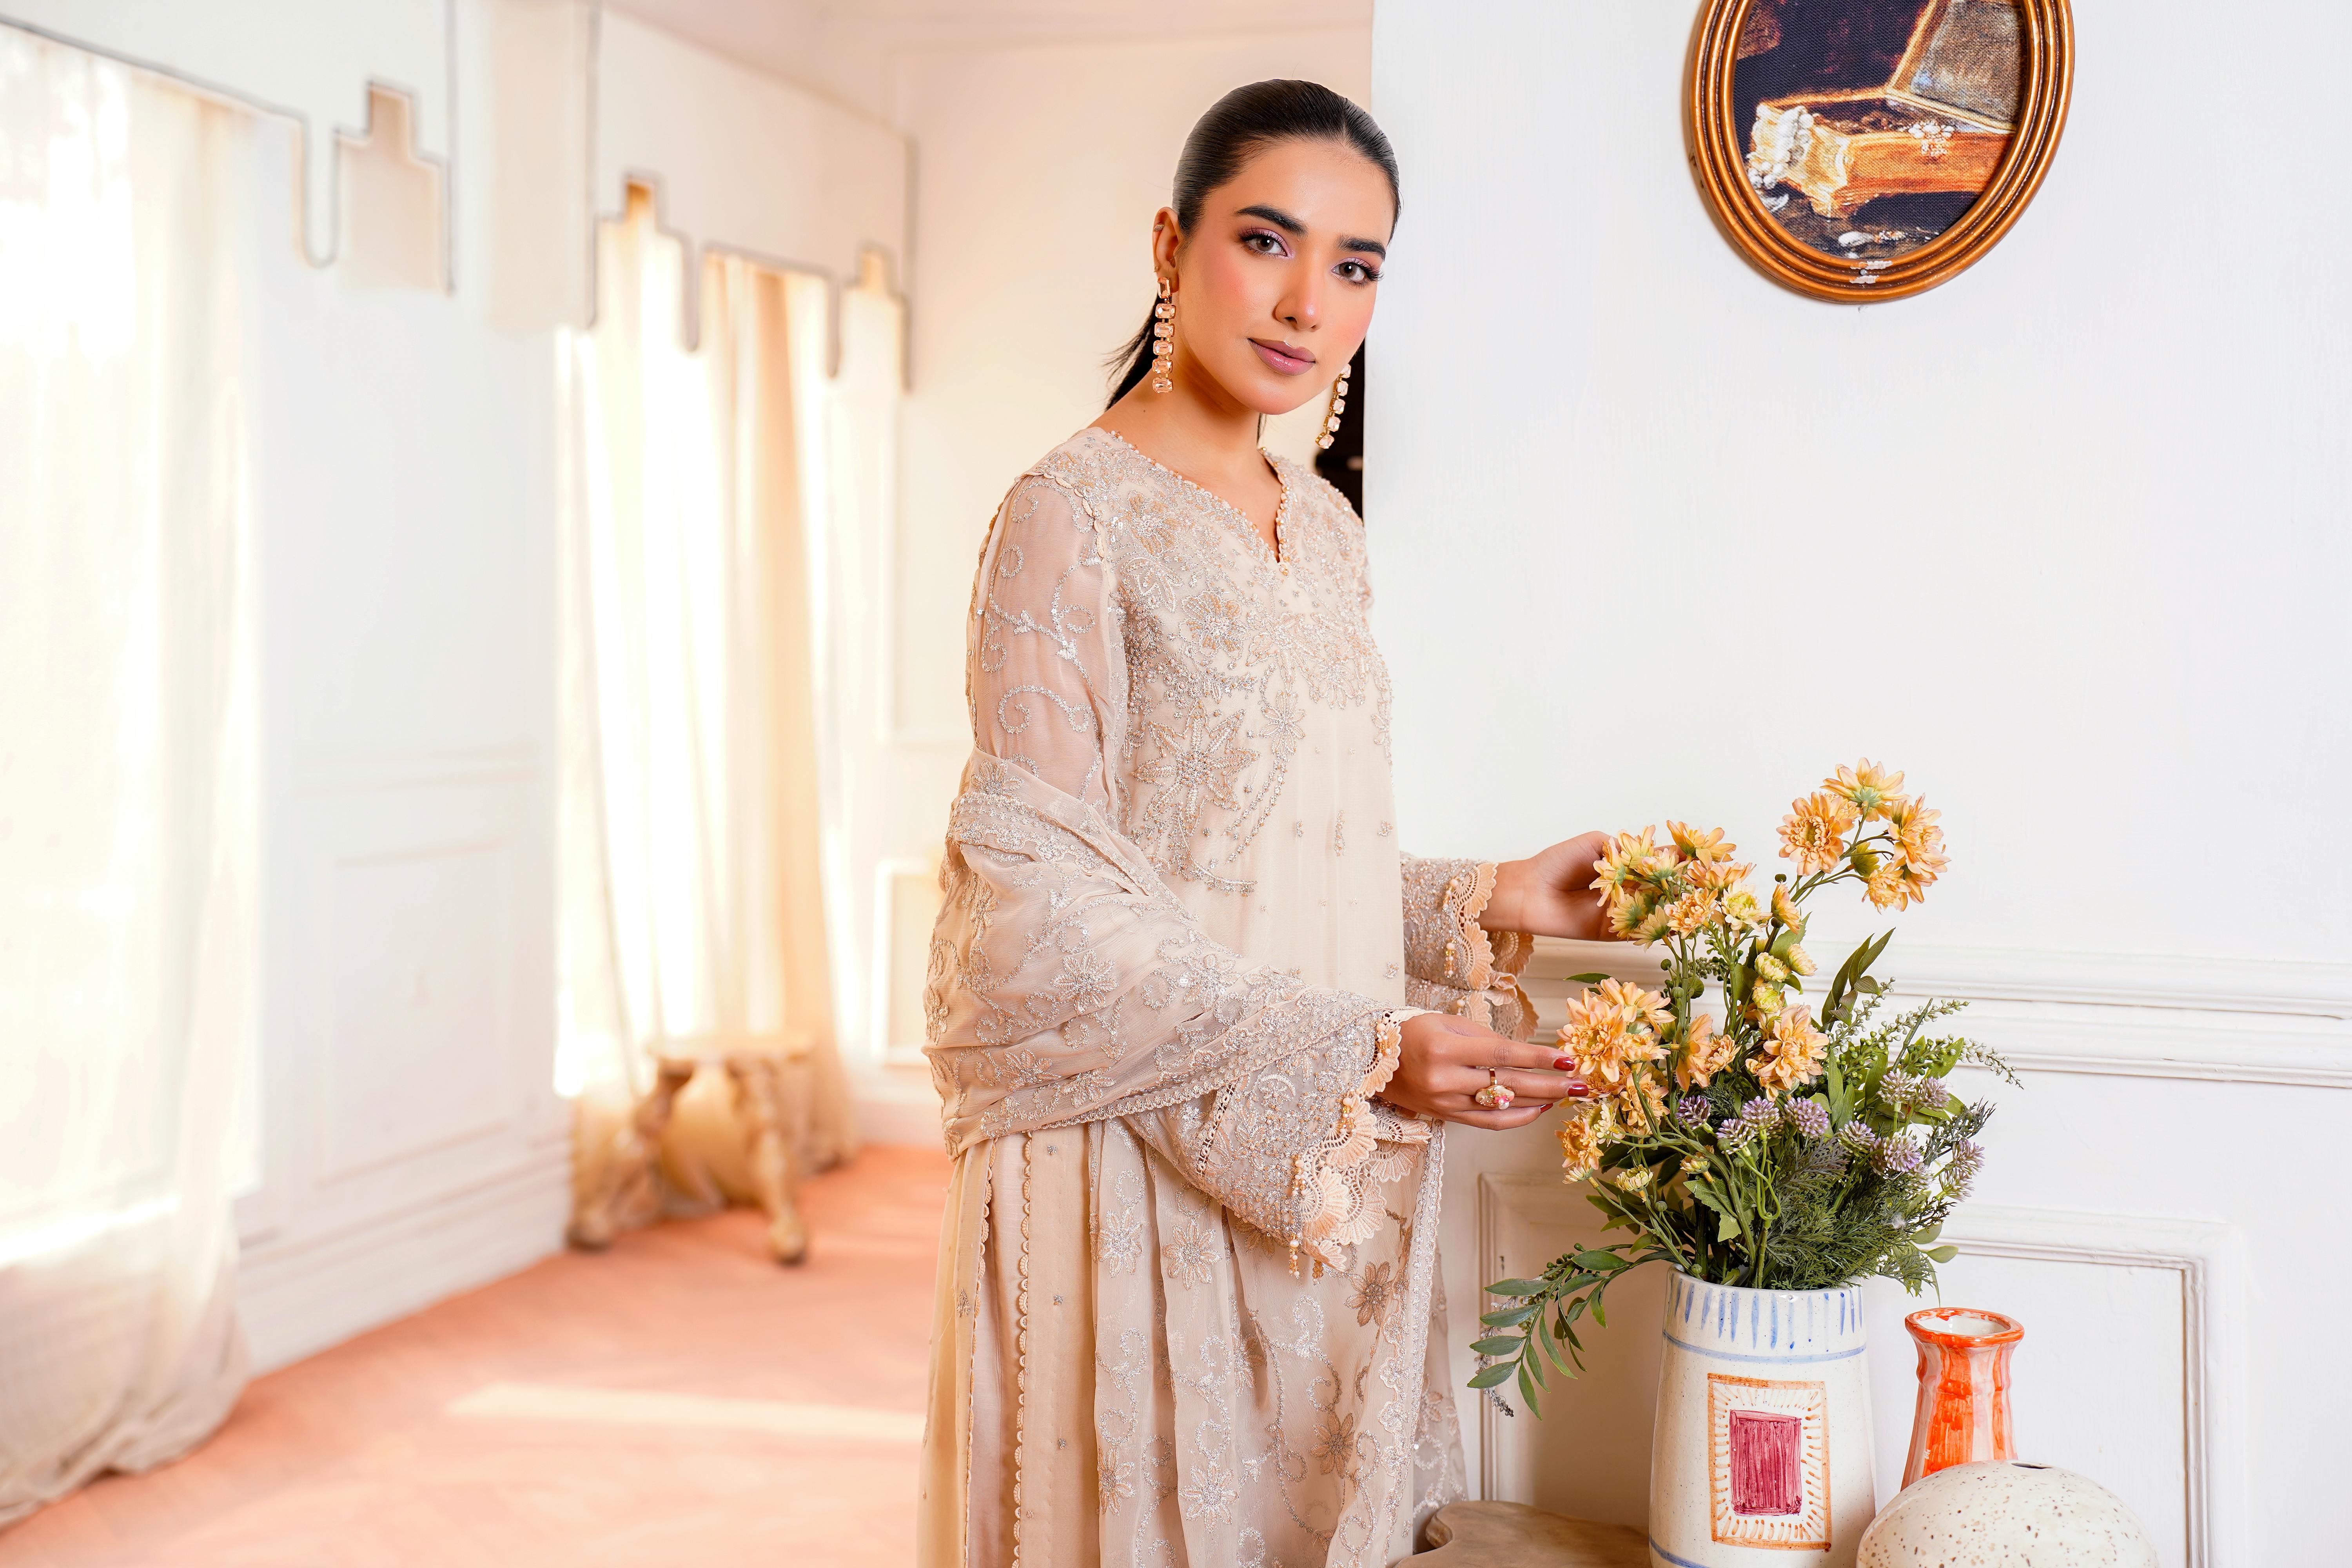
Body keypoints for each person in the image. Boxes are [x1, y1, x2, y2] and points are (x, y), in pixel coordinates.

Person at [918, 80, 1615, 1568]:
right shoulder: (1070, 511)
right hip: (1129, 1149)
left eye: (1357, 265)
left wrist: (1493, 892)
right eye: (1269, 241)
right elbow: (1037, 906)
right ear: (1171, 246)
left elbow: (1254, 843)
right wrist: (1362, 1050)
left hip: (1314, 1148)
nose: (1311, 301)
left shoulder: (1329, 528)